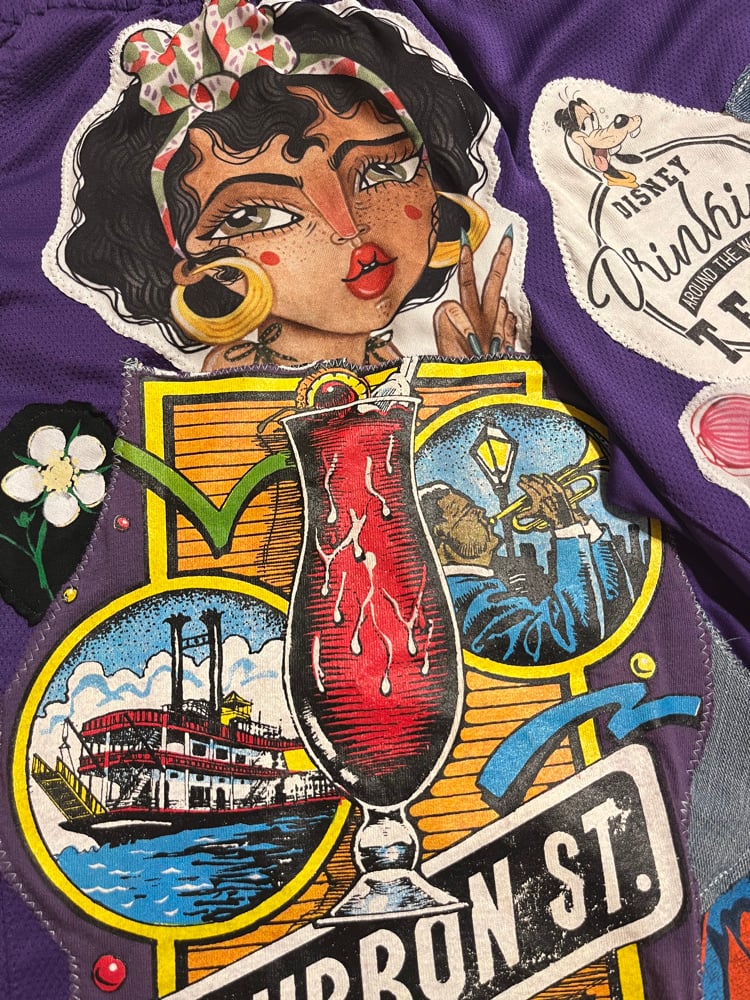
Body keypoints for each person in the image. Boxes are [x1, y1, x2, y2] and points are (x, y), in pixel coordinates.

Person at [55, 0, 519, 370]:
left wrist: (475, 385)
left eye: (380, 171)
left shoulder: (395, 355)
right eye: (254, 215)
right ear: (196, 267)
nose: (349, 229)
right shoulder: (233, 381)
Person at [419, 474, 634, 665]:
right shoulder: (465, 602)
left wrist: (581, 522)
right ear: (440, 533)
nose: (481, 511)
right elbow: (577, 635)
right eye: (467, 512)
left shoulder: (480, 587)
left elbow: (616, 608)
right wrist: (564, 525)